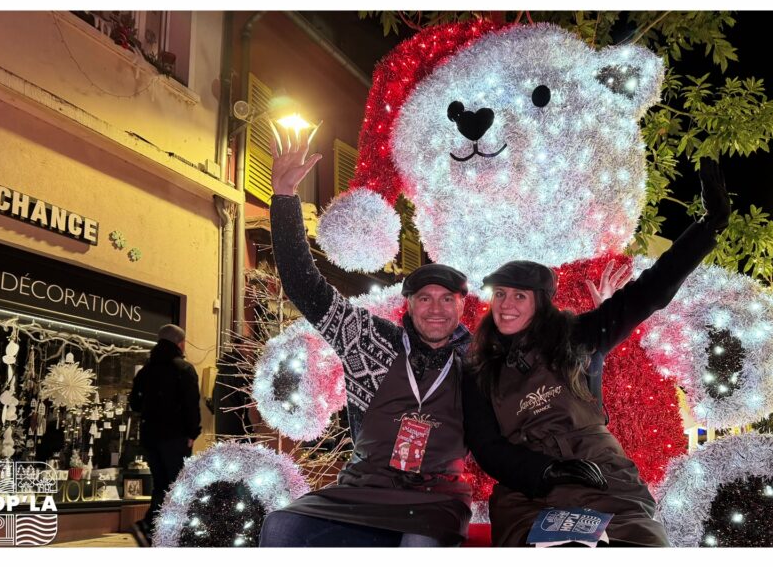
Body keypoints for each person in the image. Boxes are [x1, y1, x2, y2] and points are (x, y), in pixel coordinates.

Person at [258, 125, 602, 547]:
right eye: (424, 298)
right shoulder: (367, 339)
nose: (435, 309)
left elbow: (548, 365)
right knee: (282, 527)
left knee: (417, 546)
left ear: (461, 305)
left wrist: (598, 328)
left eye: (446, 299)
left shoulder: (481, 359)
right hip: (363, 487)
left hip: (435, 496)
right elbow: (304, 286)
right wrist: (284, 197)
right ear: (409, 304)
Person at [464, 160, 731, 547]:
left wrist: (708, 228)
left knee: (642, 545)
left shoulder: (579, 336)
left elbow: (649, 292)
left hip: (604, 476)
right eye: (500, 294)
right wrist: (545, 471)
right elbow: (488, 448)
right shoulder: (478, 370)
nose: (505, 305)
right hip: (530, 491)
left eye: (519, 296)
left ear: (541, 303)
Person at [128, 323, 202, 547]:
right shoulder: (183, 369)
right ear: (180, 343)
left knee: (161, 484)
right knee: (177, 485)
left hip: (150, 436)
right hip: (175, 436)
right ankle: (165, 531)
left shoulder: (146, 370)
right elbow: (191, 405)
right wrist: (192, 432)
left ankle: (154, 530)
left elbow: (134, 403)